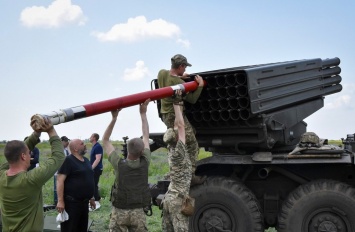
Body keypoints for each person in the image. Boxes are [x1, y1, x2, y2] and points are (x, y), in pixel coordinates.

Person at [0, 116, 65, 232]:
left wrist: (36, 133)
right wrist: (50, 130)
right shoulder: (31, 179)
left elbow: (16, 153)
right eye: (28, 153)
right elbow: (58, 157)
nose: (31, 156)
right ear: (23, 156)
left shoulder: (1, 176)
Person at [103, 99, 151, 232]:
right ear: (142, 152)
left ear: (127, 150)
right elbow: (146, 136)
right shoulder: (145, 162)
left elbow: (105, 140)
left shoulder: (119, 164)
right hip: (138, 212)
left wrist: (114, 118)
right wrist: (143, 113)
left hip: (120, 211)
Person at [157, 54, 206, 185]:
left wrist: (179, 77)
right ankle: (190, 175)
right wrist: (200, 85)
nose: (185, 70)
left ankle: (173, 172)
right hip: (176, 115)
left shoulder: (161, 73)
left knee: (175, 143)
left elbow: (170, 78)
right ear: (180, 66)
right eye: (184, 68)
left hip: (165, 114)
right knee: (192, 145)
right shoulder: (179, 83)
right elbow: (192, 99)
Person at [161, 90, 192, 231]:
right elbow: (180, 126)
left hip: (169, 199)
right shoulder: (179, 151)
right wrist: (177, 102)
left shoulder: (172, 149)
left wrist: (176, 107)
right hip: (177, 201)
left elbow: (176, 126)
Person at [56, 139, 96, 232]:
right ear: (75, 149)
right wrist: (60, 201)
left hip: (84, 204)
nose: (85, 145)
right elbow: (60, 181)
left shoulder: (86, 160)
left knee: (82, 229)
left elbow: (88, 179)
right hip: (72, 204)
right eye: (82, 144)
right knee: (70, 229)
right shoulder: (68, 160)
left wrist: (91, 197)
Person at [54, 136, 70, 205]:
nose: (67, 144)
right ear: (62, 142)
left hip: (64, 172)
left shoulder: (66, 150)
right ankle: (56, 202)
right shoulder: (58, 150)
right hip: (58, 171)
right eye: (66, 142)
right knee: (56, 187)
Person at [89, 133, 103, 203]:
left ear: (94, 138)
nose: (89, 138)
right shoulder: (94, 146)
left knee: (94, 184)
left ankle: (96, 200)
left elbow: (98, 159)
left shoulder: (98, 147)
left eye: (91, 136)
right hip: (94, 169)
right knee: (93, 184)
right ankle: (96, 198)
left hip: (96, 169)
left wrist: (91, 168)